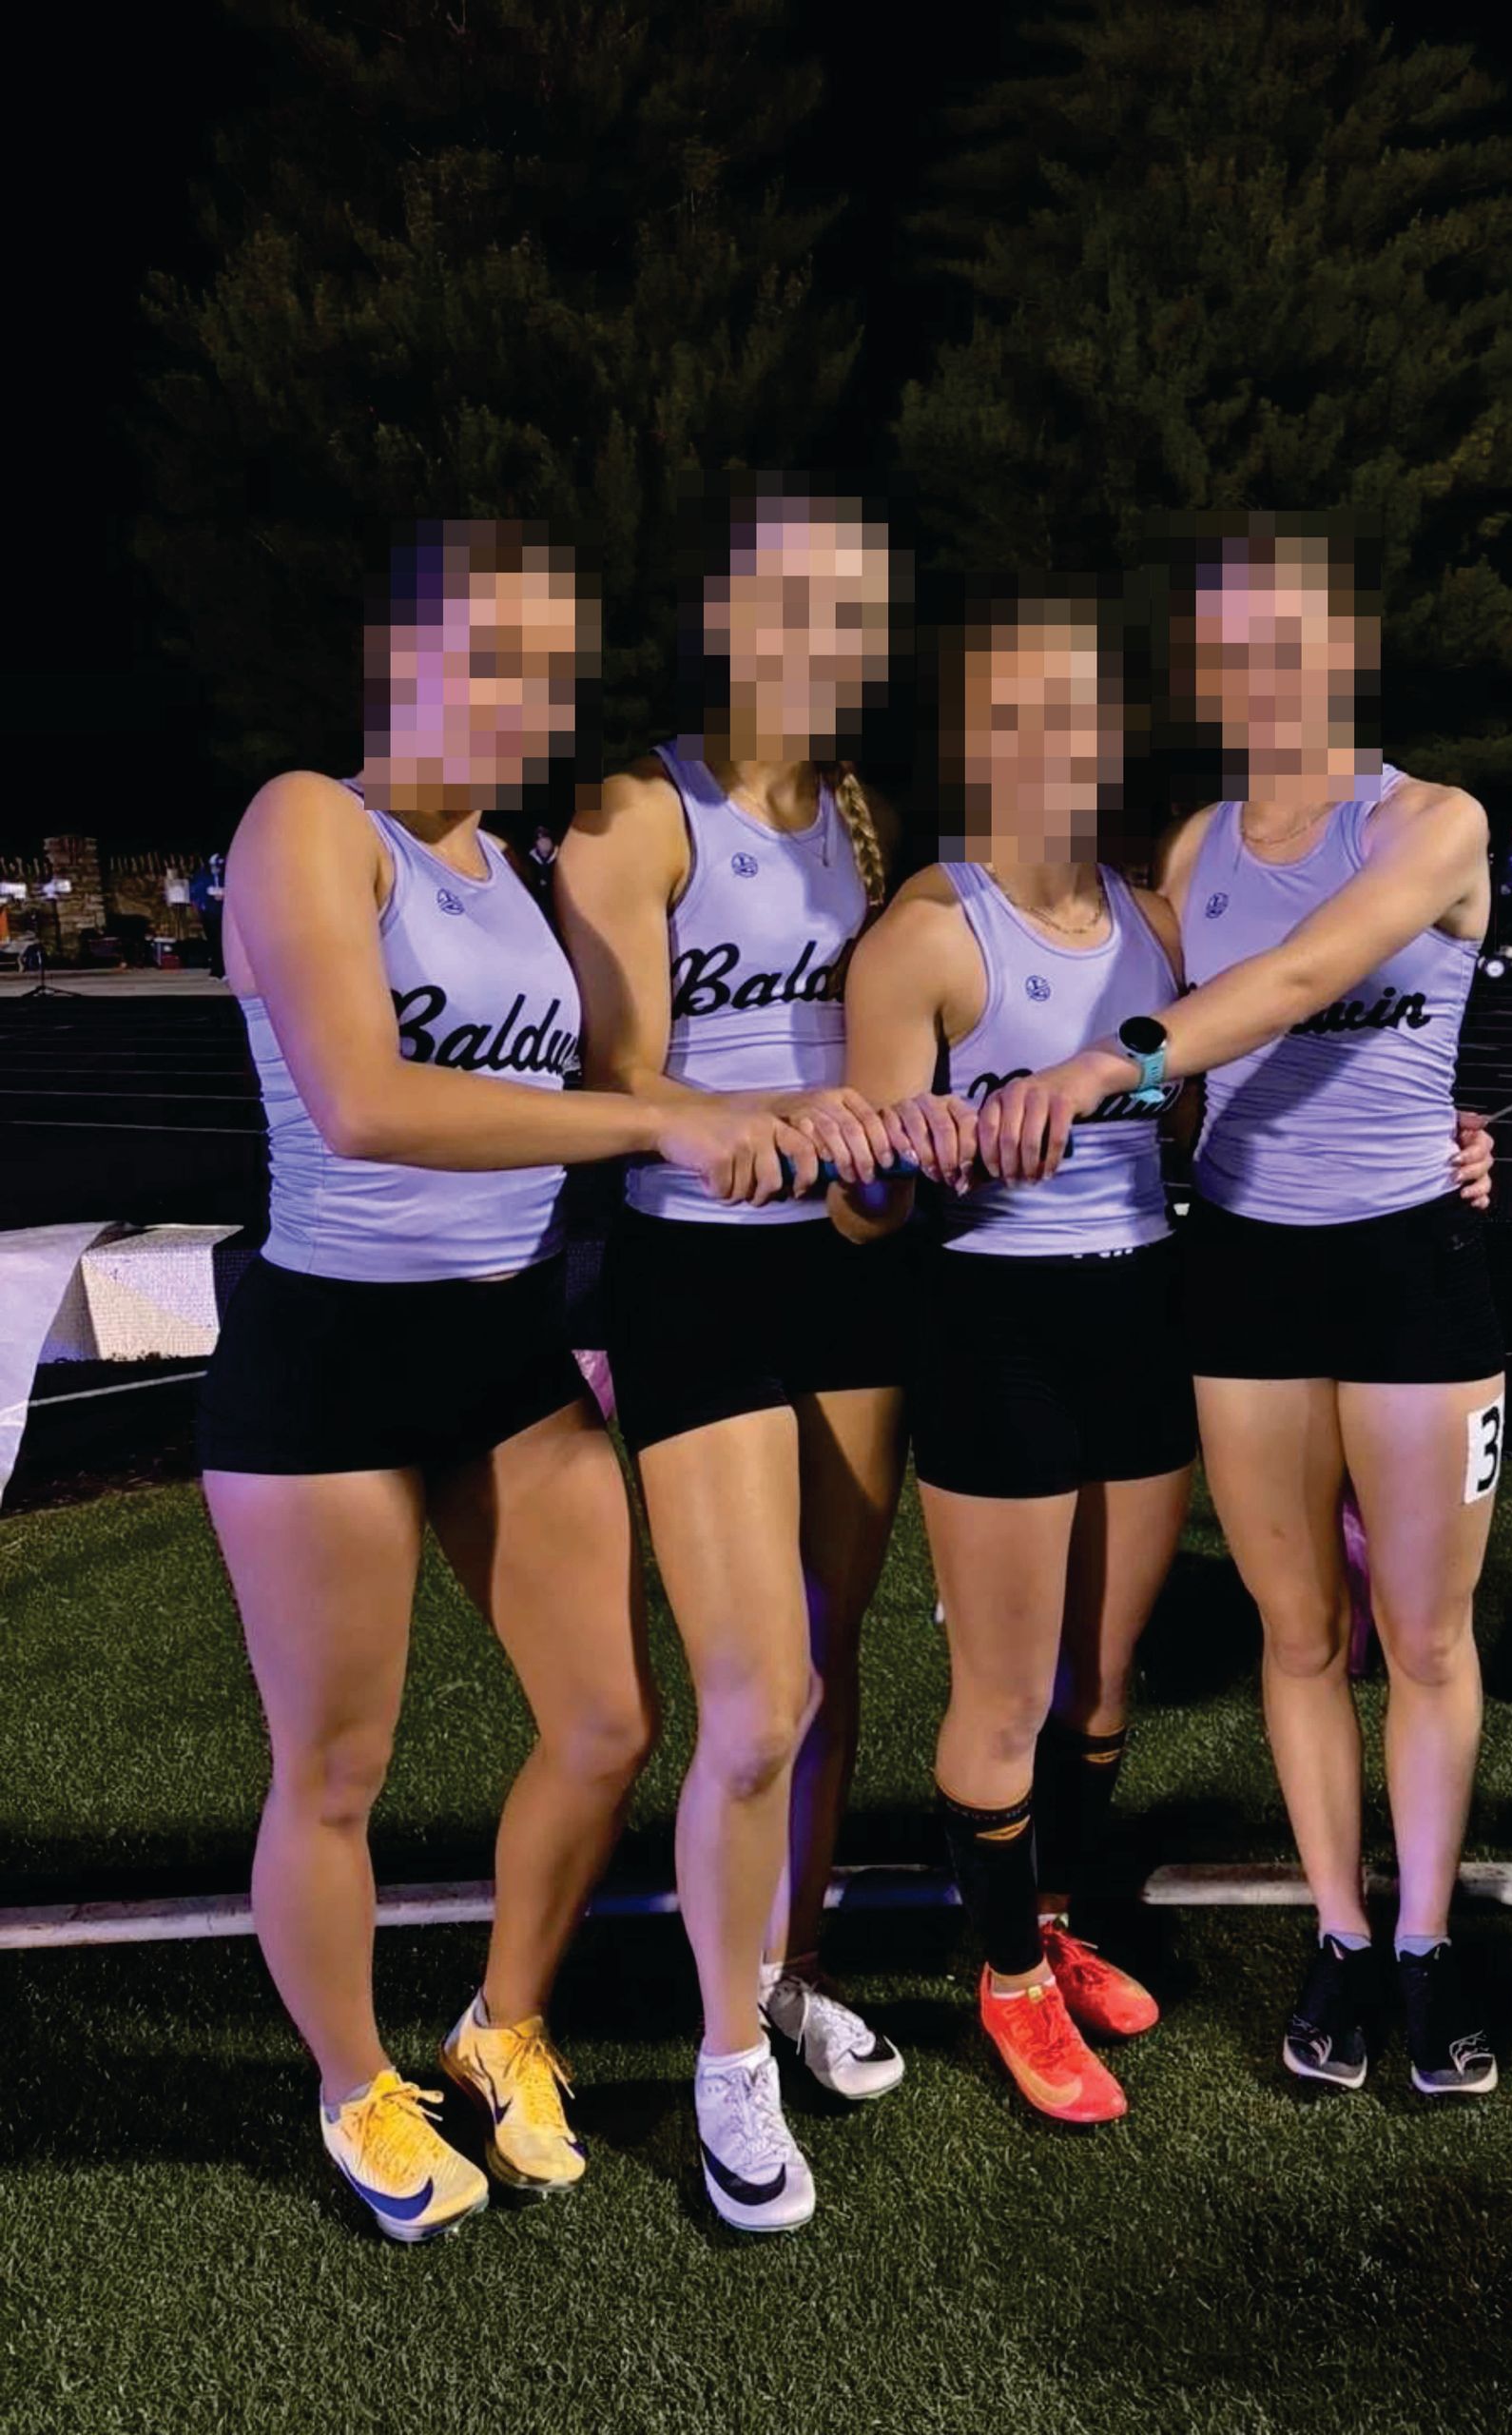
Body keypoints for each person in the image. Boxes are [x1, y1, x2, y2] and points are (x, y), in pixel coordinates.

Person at [198, 518, 814, 2244]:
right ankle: (354, 2085)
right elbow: (366, 1104)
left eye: (551, 666)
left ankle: (501, 2021)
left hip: (507, 1351)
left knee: (608, 1724)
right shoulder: (310, 822)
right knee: (335, 1772)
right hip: (327, 1359)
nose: (525, 694)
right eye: (491, 651)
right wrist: (652, 1125)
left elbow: (620, 1069)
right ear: (399, 652)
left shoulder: (505, 867)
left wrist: (780, 1116)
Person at [977, 516, 1504, 2099]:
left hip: (1412, 1270)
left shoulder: (1435, 821)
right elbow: (1186, 1068)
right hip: (1248, 1273)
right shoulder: (1199, 851)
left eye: (1289, 637)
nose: (1259, 669)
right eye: (1229, 644)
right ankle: (1342, 1934)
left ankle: (1428, 1943)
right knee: (1299, 1631)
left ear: (1346, 650)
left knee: (1425, 1635)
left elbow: (1290, 984)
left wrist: (1106, 1065)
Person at [555, 478, 911, 2233]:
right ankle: (722, 2065)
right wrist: (767, 1125)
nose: (826, 641)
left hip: (845, 1274)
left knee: (829, 1668)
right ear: (727, 619)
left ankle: (787, 1972)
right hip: (695, 1276)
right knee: (756, 1699)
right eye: (795, 604)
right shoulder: (640, 812)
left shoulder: (858, 814)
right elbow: (615, 1084)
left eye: (857, 609)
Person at [835, 584, 1195, 2125]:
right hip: (996, 1322)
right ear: (972, 735)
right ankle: (1005, 1977)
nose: (1052, 740)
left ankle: (1049, 1922)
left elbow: (1197, 1102)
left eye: (1077, 709)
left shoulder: (1155, 922)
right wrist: (901, 1157)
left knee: (1102, 1683)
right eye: (1015, 712)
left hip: (1146, 1306)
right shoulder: (928, 933)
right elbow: (858, 1211)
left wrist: (1454, 1139)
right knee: (1002, 1692)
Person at [190, 852, 226, 977]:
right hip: (209, 913)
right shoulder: (203, 876)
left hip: (223, 914)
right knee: (213, 941)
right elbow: (196, 892)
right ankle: (216, 968)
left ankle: (222, 968)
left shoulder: (226, 875)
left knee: (222, 942)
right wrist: (203, 903)